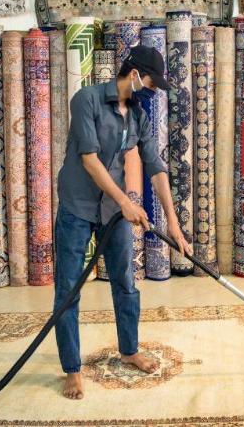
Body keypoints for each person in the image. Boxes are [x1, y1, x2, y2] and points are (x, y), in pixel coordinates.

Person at [54, 44, 192, 400]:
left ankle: (129, 350)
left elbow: (157, 168)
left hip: (111, 210)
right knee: (69, 288)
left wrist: (174, 227)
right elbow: (89, 160)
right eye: (149, 82)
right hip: (78, 204)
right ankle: (72, 368)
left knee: (126, 281)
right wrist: (125, 202)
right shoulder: (86, 100)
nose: (151, 89)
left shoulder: (138, 117)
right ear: (133, 75)